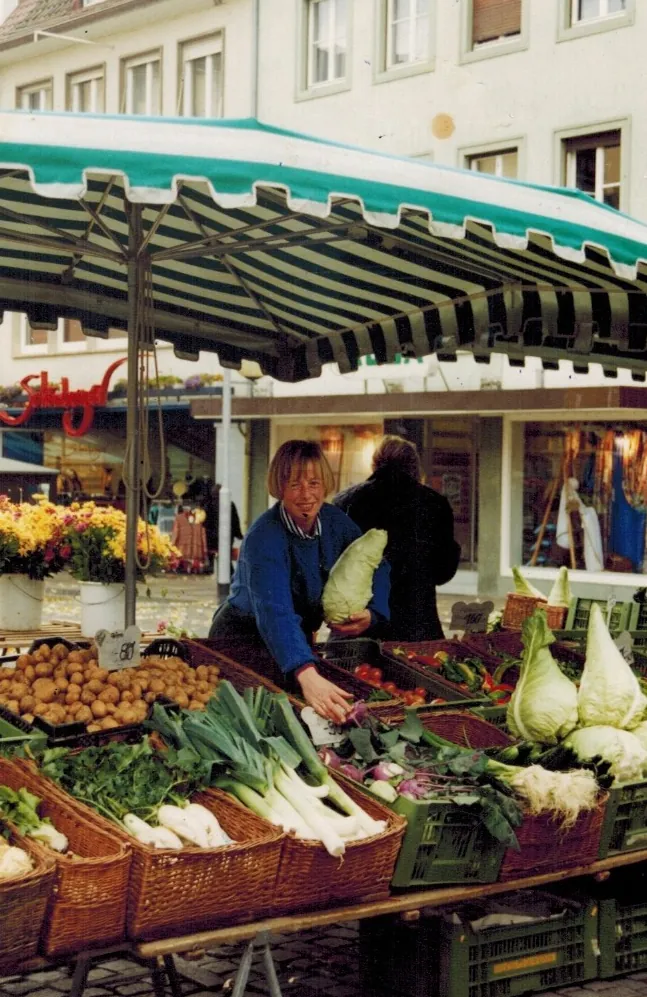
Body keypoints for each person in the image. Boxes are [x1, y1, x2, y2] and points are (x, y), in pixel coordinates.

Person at [208, 440, 390, 721]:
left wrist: (373, 613)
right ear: (279, 487)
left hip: (292, 642)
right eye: (295, 484)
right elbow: (274, 611)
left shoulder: (334, 522)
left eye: (314, 483)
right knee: (253, 719)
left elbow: (374, 561)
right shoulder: (263, 537)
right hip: (243, 641)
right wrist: (304, 670)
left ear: (325, 484)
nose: (306, 494)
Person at [333, 435, 460, 642]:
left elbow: (333, 565)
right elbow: (443, 572)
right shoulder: (435, 504)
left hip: (357, 628)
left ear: (374, 464)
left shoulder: (345, 500)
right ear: (414, 467)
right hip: (416, 628)